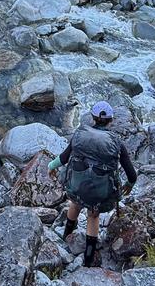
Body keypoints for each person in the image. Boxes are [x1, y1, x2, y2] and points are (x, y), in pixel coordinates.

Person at [48, 101, 137, 267]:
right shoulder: (117, 143)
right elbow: (132, 174)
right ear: (111, 120)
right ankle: (88, 257)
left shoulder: (80, 134)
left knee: (74, 203)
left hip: (76, 187)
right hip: (100, 193)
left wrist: (50, 166)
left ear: (93, 118)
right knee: (93, 215)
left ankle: (67, 234)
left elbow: (63, 158)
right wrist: (130, 185)